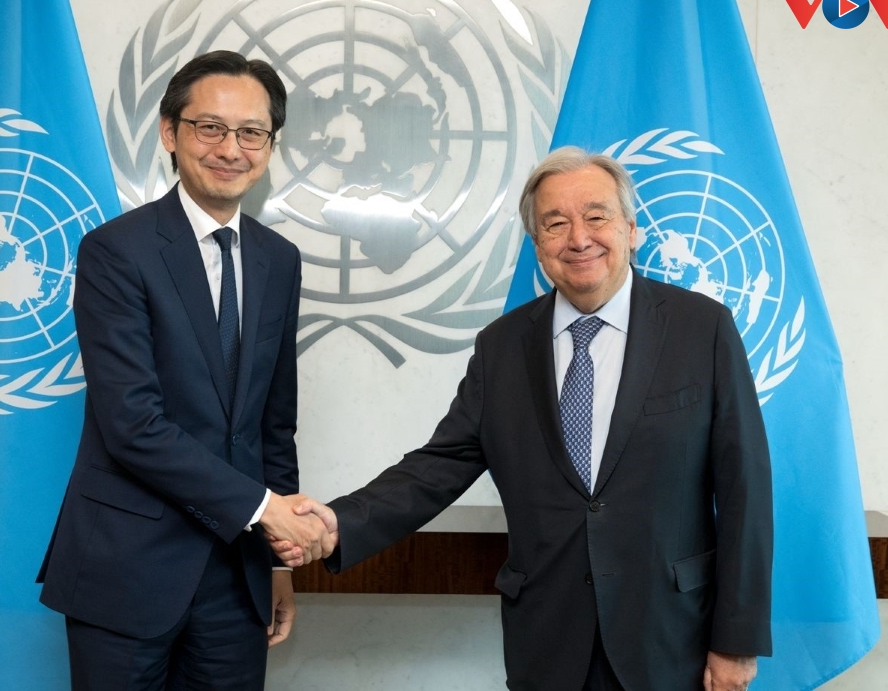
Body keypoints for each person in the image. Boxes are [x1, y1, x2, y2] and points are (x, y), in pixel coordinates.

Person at [275, 147, 773, 690]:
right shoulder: (502, 346)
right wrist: (338, 523)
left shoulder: (702, 329)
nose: (578, 238)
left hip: (671, 639)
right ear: (538, 246)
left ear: (631, 230)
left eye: (597, 216)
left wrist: (736, 641)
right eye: (555, 224)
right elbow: (437, 467)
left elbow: (745, 489)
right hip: (548, 641)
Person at [38, 50, 332, 690]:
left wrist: (278, 562)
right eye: (210, 127)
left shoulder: (279, 259)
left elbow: (273, 423)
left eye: (251, 132)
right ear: (170, 133)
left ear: (271, 146)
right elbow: (133, 425)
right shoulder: (116, 251)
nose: (231, 149)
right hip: (126, 568)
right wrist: (265, 510)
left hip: (237, 577)